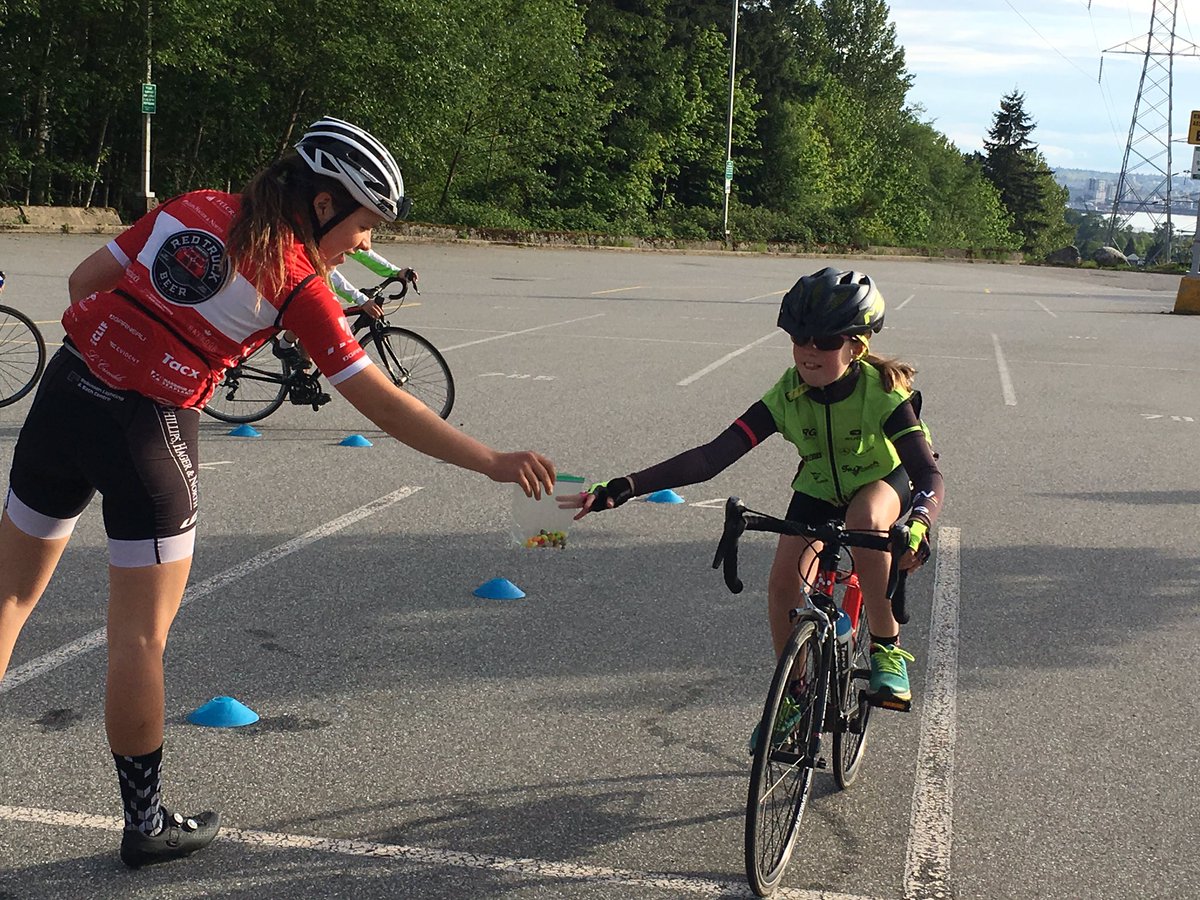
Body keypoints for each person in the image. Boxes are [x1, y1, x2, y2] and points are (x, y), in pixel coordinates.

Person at [0, 116, 555, 868]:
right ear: (324, 205)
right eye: (365, 225)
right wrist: (490, 459)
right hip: (148, 429)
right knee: (138, 639)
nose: (365, 243)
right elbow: (385, 403)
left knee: (8, 598)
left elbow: (81, 285)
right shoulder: (297, 282)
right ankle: (145, 823)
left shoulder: (193, 205)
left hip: (65, 395)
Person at [563, 267, 943, 732]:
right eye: (798, 338)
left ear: (856, 347)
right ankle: (795, 694)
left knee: (866, 520)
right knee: (784, 584)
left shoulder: (883, 394)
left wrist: (920, 523)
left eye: (823, 341)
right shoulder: (789, 393)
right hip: (821, 485)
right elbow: (710, 457)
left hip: (885, 478)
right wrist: (624, 486)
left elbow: (927, 472)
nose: (808, 350)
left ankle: (887, 646)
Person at [275, 246, 417, 368]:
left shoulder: (341, 228)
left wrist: (395, 272)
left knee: (314, 322)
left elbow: (359, 250)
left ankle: (301, 375)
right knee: (315, 309)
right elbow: (326, 271)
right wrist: (360, 299)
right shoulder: (323, 230)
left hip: (311, 275)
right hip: (289, 271)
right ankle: (285, 345)